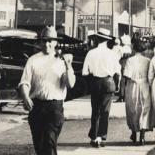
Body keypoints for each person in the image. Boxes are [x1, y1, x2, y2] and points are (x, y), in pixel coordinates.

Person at [18, 26, 76, 155]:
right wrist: (26, 97)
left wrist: (68, 65)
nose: (47, 44)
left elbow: (70, 83)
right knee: (39, 146)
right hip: (36, 107)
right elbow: (24, 83)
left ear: (55, 42)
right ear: (40, 42)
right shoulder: (33, 60)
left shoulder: (61, 61)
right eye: (44, 40)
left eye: (50, 41)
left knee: (49, 142)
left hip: (54, 108)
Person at [82, 28, 121, 148]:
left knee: (95, 111)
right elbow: (117, 72)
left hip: (95, 83)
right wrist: (118, 85)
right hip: (108, 82)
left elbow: (84, 72)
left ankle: (93, 136)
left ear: (97, 39)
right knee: (105, 111)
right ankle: (100, 137)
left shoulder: (91, 53)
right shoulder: (112, 54)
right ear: (107, 40)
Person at [123, 38, 155, 145]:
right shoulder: (148, 60)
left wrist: (123, 89)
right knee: (145, 109)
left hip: (133, 85)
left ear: (133, 48)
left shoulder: (130, 60)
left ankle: (134, 131)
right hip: (145, 85)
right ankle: (142, 134)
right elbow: (151, 75)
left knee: (133, 109)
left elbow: (127, 75)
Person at [116, 34, 133, 103]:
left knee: (122, 81)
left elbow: (118, 56)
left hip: (122, 64)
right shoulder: (129, 48)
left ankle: (121, 96)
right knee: (126, 81)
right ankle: (125, 96)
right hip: (128, 64)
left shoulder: (122, 48)